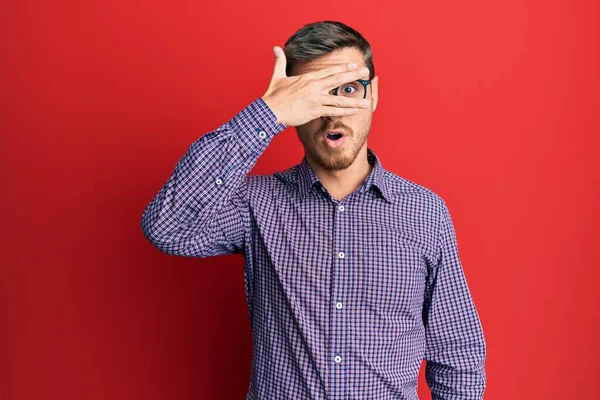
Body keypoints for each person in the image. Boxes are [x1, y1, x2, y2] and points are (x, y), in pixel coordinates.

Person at [141, 20, 486, 400]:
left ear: (373, 95)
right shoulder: (256, 204)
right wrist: (266, 113)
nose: (334, 111)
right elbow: (168, 227)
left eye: (349, 90)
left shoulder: (425, 212)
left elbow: (458, 353)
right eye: (316, 96)